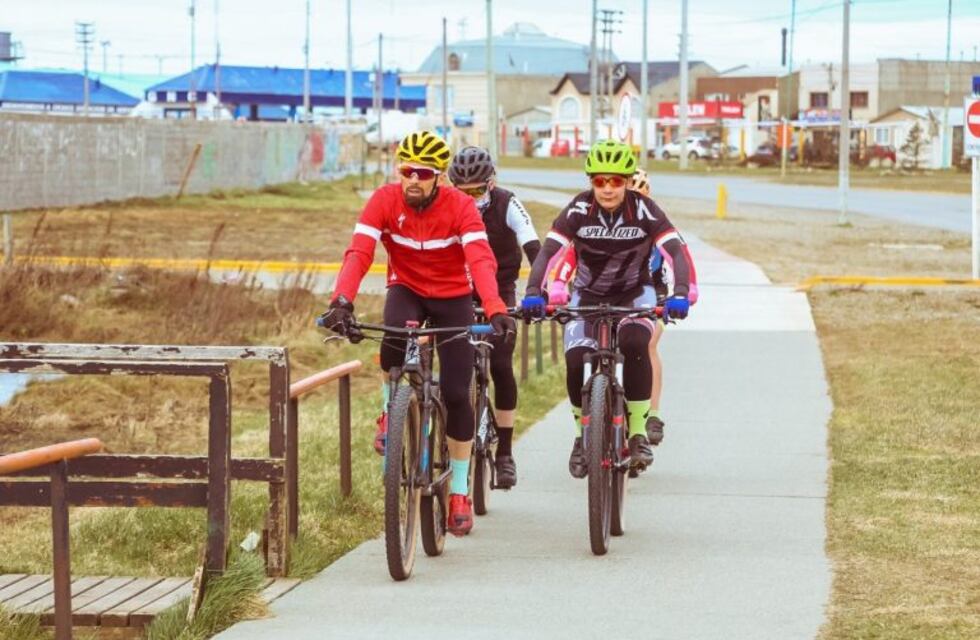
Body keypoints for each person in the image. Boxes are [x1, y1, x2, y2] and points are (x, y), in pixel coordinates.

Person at [320, 131, 516, 536]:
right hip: (406, 289)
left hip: (453, 297)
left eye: (422, 173)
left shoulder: (462, 207)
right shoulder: (384, 200)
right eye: (406, 170)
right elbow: (359, 252)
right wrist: (342, 300)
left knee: (459, 394)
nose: (413, 179)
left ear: (438, 177)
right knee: (392, 343)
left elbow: (480, 259)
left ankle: (459, 491)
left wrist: (495, 308)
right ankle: (392, 411)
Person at [521, 140, 694, 478]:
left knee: (634, 344)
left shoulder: (645, 210)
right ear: (591, 182)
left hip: (634, 293)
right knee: (574, 360)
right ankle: (579, 437)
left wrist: (682, 292)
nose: (608, 188)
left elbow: (675, 251)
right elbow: (549, 253)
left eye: (616, 181)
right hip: (587, 294)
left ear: (628, 181)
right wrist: (533, 291)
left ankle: (638, 433)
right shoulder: (577, 210)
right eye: (600, 181)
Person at [447, 146, 540, 489]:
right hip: (456, 290)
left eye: (477, 191)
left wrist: (539, 289)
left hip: (500, 291)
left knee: (500, 364)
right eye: (463, 192)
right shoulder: (444, 205)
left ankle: (504, 453)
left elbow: (534, 246)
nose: (470, 199)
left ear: (492, 182)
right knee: (452, 364)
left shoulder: (507, 203)